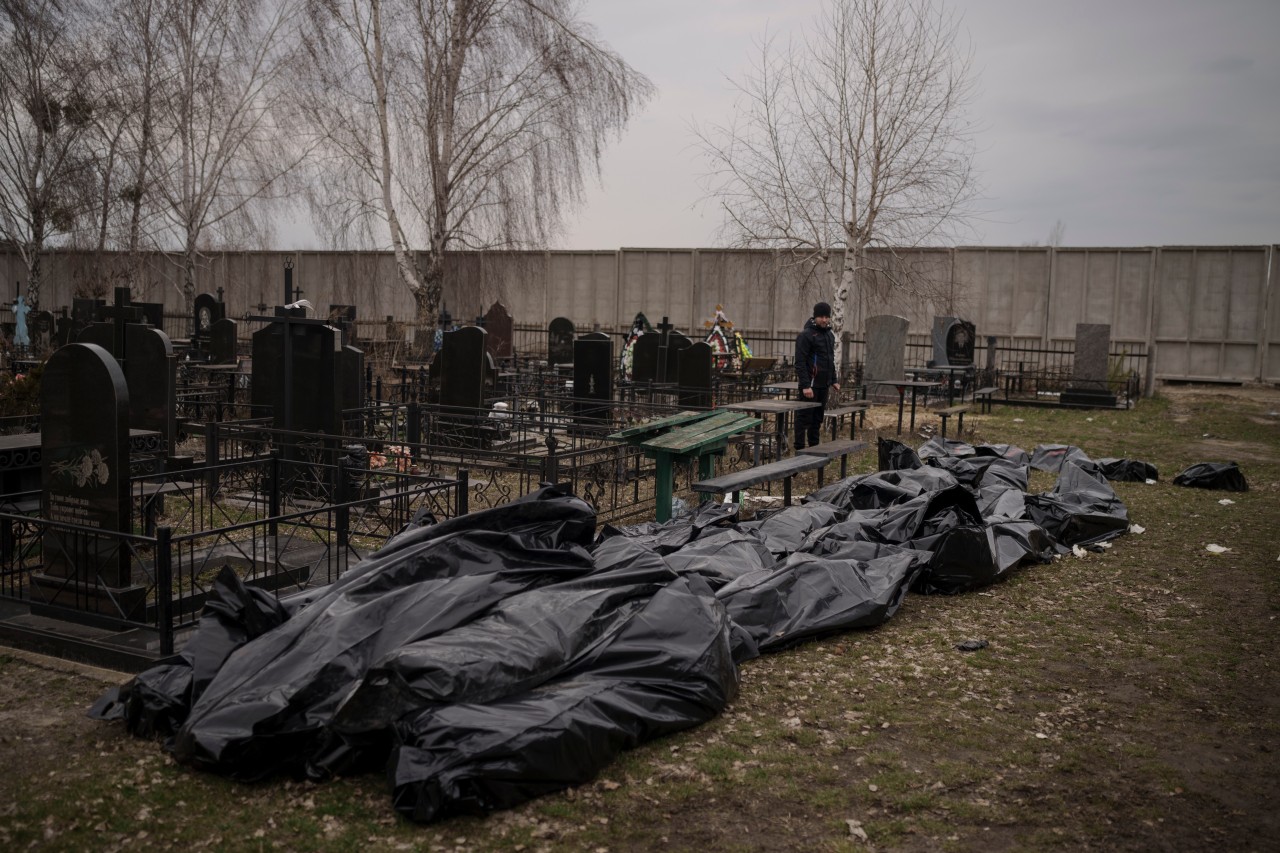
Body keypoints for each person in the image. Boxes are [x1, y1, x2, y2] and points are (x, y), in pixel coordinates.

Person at [794, 301, 839, 451]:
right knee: (803, 418)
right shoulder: (806, 335)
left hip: (823, 385)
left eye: (827, 317)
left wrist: (833, 380)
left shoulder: (829, 335)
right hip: (810, 386)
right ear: (815, 317)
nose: (825, 320)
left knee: (817, 419)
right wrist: (806, 385)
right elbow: (800, 363)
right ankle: (799, 449)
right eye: (821, 317)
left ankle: (814, 448)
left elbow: (830, 359)